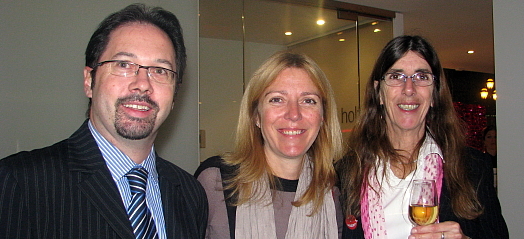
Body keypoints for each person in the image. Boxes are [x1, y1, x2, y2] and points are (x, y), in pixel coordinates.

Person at [0, 4, 207, 238]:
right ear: (89, 81)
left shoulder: (190, 194)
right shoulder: (22, 182)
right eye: (124, 65)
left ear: (175, 94)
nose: (142, 83)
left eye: (160, 70)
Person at [336, 36, 508, 239]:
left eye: (422, 77)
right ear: (379, 93)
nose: (409, 89)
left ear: (435, 94)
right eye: (396, 77)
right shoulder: (346, 172)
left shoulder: (473, 167)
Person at [194, 52, 344, 239]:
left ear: (323, 117)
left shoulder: (335, 191)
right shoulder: (216, 181)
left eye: (308, 101)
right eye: (277, 99)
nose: (294, 114)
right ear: (256, 115)